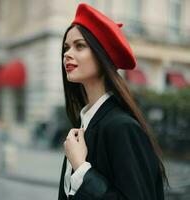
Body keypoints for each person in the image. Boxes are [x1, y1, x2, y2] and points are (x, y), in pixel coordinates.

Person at [58, 3, 168, 200]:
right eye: (66, 47)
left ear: (102, 56)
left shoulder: (122, 127)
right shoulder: (84, 123)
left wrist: (82, 169)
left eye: (79, 46)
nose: (67, 53)